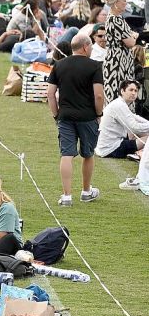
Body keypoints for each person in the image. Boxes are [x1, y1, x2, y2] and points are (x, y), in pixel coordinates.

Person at [46, 33, 104, 206]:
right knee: (88, 154)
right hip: (87, 117)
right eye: (91, 46)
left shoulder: (59, 65)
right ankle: (86, 191)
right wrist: (99, 114)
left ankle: (66, 196)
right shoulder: (94, 66)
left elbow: (50, 94)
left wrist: (56, 115)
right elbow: (99, 95)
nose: (92, 49)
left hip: (65, 117)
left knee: (67, 154)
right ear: (85, 47)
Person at [97, 80, 149, 166]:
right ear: (122, 91)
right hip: (111, 149)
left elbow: (135, 117)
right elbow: (134, 127)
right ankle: (141, 154)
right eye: (131, 90)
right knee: (142, 133)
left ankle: (140, 152)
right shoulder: (119, 105)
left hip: (108, 145)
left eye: (135, 91)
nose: (133, 93)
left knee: (141, 132)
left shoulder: (120, 103)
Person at [101, 0, 137, 103]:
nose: (126, 3)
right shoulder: (115, 19)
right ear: (116, 2)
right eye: (124, 0)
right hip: (117, 63)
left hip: (121, 60)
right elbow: (130, 42)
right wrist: (134, 36)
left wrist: (131, 36)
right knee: (118, 97)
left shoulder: (117, 18)